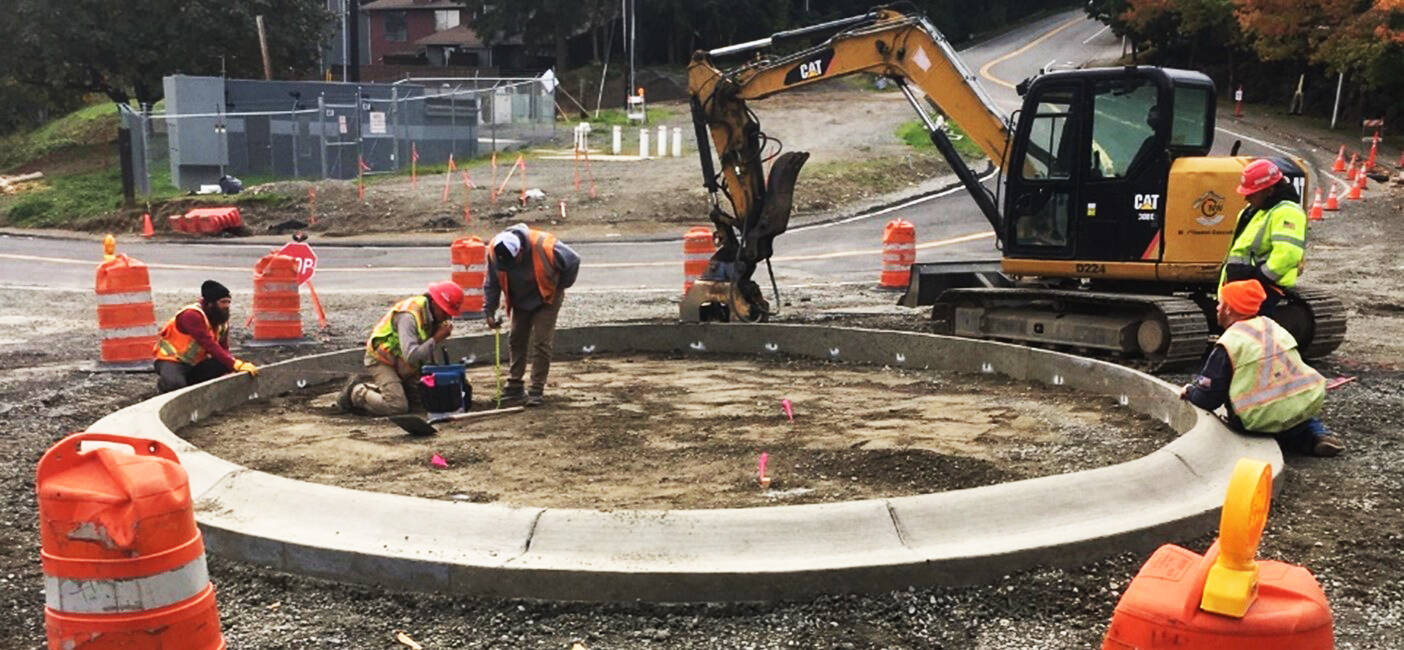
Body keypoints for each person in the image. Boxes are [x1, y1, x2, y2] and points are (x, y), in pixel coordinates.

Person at [1180, 280, 1343, 457]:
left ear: (1228, 309)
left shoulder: (1230, 342)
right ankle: (1316, 436)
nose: (1217, 308)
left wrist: (1191, 391)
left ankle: (1272, 439)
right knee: (1300, 423)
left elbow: (1209, 398)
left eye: (1220, 304)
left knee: (1258, 422)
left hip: (1256, 417)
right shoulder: (1271, 326)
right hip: (1302, 402)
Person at [483, 223, 580, 406]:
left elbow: (573, 261)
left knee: (542, 341)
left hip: (547, 297)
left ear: (520, 252)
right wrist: (489, 310)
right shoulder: (495, 251)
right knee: (516, 338)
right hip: (519, 298)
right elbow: (492, 282)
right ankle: (515, 385)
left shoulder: (545, 245)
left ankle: (536, 389)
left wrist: (561, 285)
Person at [339, 281, 464, 415]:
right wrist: (436, 338)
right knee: (397, 406)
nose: (447, 317)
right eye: (445, 312)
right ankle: (357, 392)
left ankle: (397, 388)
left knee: (427, 401)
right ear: (434, 303)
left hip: (404, 364)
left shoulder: (431, 315)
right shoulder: (408, 317)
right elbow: (411, 356)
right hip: (383, 359)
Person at [1219, 158, 1306, 316]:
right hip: (1245, 290)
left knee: (1253, 335)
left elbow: (1287, 254)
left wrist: (1259, 280)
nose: (1247, 198)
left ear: (1269, 190)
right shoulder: (1253, 211)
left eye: (1252, 193)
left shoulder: (1286, 211)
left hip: (1262, 293)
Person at [154, 280, 258, 393]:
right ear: (210, 303)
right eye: (223, 302)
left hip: (195, 364)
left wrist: (231, 367)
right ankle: (165, 385)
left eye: (228, 302)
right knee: (175, 384)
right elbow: (209, 344)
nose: (227, 306)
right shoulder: (191, 315)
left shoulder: (221, 320)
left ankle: (188, 384)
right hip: (172, 360)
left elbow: (223, 349)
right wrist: (235, 364)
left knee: (223, 363)